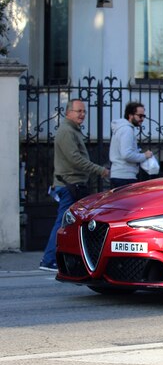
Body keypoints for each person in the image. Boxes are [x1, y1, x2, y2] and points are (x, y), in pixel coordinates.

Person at [40, 99, 110, 272]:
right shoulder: (66, 132)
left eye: (84, 111)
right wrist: (99, 170)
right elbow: (75, 159)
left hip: (74, 184)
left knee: (73, 223)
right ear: (68, 112)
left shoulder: (73, 130)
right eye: (78, 111)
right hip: (69, 185)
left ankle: (71, 259)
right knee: (63, 223)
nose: (82, 115)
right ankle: (49, 260)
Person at [109, 102, 153, 188]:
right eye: (140, 116)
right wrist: (144, 156)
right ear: (130, 116)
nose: (142, 119)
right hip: (124, 176)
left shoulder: (122, 128)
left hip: (119, 175)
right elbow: (127, 154)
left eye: (144, 116)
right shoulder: (127, 130)